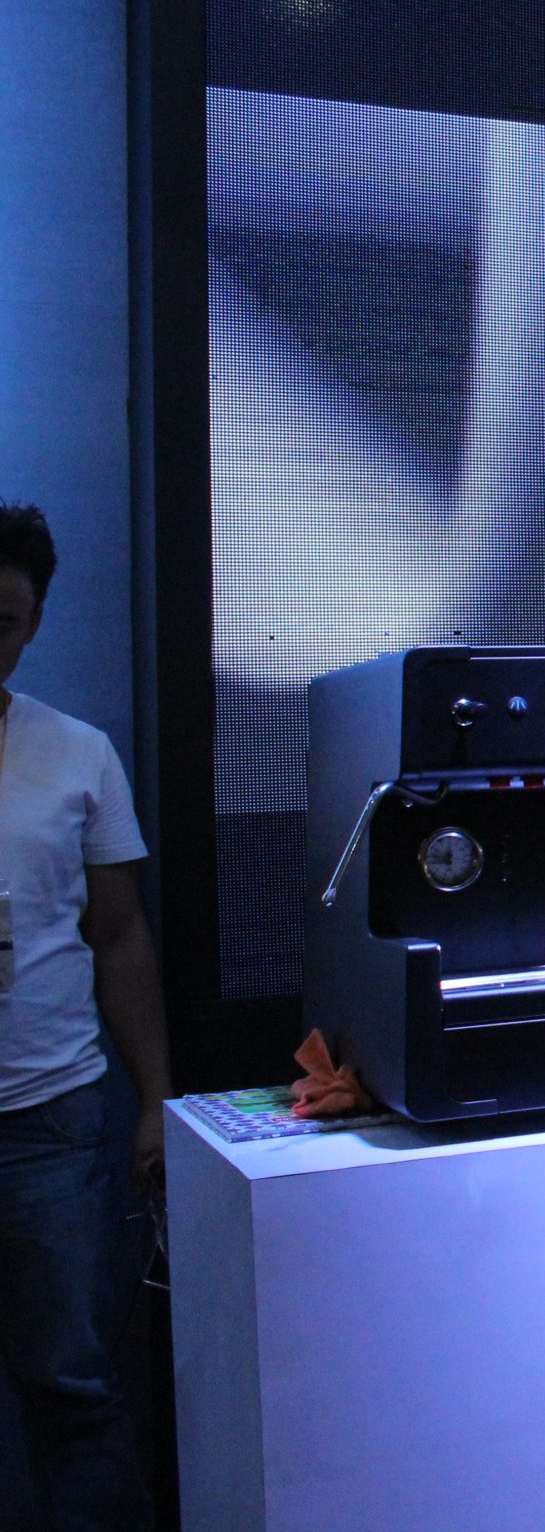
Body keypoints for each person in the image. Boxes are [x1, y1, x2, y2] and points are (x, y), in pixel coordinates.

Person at [0, 503, 163, 1531]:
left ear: (33, 624)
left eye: (4, 619)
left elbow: (120, 936)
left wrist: (154, 1098)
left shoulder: (78, 752)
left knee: (72, 1389)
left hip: (48, 1119)